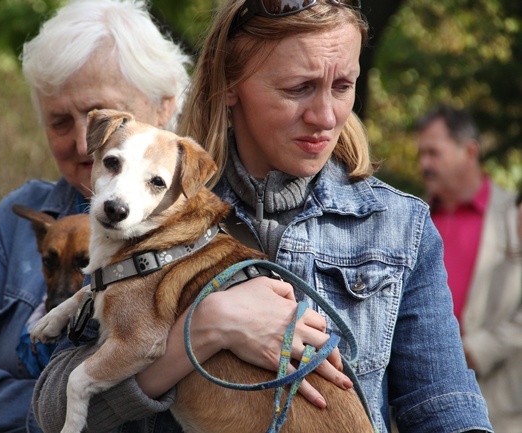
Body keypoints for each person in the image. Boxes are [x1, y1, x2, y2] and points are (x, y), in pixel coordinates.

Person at [33, 1, 493, 432]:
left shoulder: (398, 225)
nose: (326, 116)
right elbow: (49, 413)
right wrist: (205, 328)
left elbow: (444, 406)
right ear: (230, 85)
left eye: (342, 86)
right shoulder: (142, 207)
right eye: (299, 87)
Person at [0, 1, 192, 432]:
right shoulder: (17, 219)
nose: (84, 143)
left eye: (104, 117)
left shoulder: (199, 238)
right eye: (60, 121)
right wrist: (57, 413)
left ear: (164, 105)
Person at [416, 104, 522, 432]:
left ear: (470, 151)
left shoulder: (513, 213)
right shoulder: (412, 218)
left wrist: (468, 352)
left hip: (501, 408)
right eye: (421, 154)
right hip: (421, 404)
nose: (424, 165)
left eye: (433, 153)